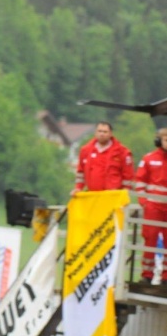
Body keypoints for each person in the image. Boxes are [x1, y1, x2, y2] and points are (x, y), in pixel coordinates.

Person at [134, 127, 167, 284]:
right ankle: (146, 274)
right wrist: (143, 202)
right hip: (153, 206)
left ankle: (166, 277)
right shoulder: (148, 158)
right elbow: (140, 181)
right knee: (150, 239)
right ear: (159, 141)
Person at [71, 121, 134, 196]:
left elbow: (128, 176)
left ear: (111, 134)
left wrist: (125, 193)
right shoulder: (85, 150)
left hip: (113, 196)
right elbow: (80, 173)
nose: (102, 134)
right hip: (92, 196)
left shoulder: (122, 152)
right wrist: (78, 188)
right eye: (99, 131)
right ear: (95, 132)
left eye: (105, 132)